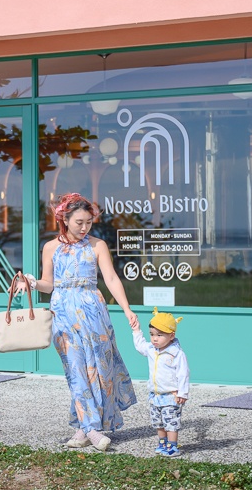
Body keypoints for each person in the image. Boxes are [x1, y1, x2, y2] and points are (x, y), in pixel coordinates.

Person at [25, 193, 139, 452]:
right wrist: (31, 283)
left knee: (97, 371)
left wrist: (127, 309)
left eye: (88, 222)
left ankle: (83, 429)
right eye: (79, 222)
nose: (84, 227)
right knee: (75, 370)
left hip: (93, 312)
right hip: (63, 313)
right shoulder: (50, 247)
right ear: (64, 219)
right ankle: (92, 430)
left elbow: (110, 279)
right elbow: (48, 284)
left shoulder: (97, 245)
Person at [132, 307, 190, 457]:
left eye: (159, 335)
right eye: (152, 334)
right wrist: (137, 330)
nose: (154, 339)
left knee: (171, 422)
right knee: (158, 422)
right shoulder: (152, 349)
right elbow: (140, 346)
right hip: (155, 394)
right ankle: (162, 443)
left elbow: (183, 373)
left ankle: (173, 446)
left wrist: (183, 393)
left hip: (171, 395)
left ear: (171, 336)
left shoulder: (176, 353)